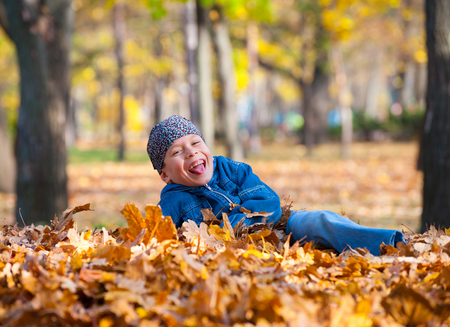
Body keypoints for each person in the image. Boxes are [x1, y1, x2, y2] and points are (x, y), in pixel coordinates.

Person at [147, 115, 405, 255]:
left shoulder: (232, 170)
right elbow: (159, 239)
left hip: (281, 224)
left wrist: (235, 224)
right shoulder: (172, 201)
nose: (191, 153)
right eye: (177, 152)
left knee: (320, 221)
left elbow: (267, 201)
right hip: (232, 250)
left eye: (195, 143)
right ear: (165, 174)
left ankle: (388, 242)